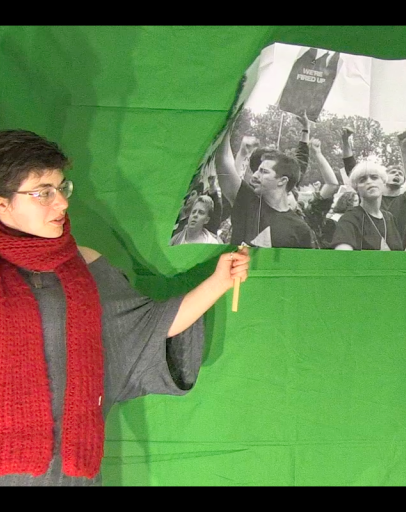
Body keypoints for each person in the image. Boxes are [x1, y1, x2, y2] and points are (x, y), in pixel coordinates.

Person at [0, 129, 250, 485]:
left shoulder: (84, 269)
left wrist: (219, 282)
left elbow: (148, 329)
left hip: (70, 473)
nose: (62, 203)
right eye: (43, 193)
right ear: (2, 203)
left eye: (62, 188)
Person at [214, 116, 314, 249]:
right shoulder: (247, 202)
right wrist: (227, 118)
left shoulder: (301, 230)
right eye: (256, 171)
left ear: (282, 181)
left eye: (263, 171)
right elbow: (223, 161)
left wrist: (306, 131)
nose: (254, 176)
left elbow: (299, 269)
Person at [331, 161, 404, 251]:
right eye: (362, 180)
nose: (369, 181)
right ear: (356, 188)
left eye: (374, 177)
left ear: (383, 182)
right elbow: (342, 257)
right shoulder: (350, 218)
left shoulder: (390, 218)